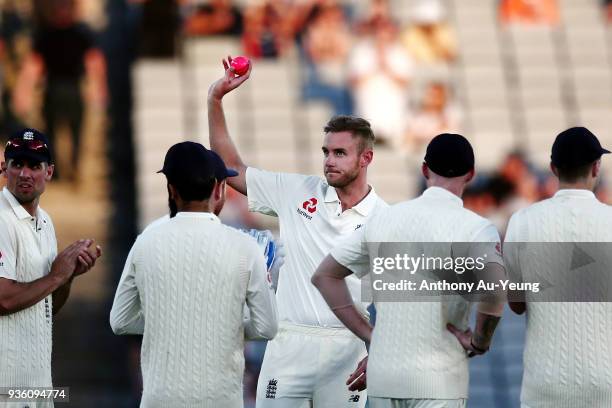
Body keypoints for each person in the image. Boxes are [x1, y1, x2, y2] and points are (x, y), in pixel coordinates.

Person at [208, 58, 388, 407]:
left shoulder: (387, 220)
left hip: (347, 348)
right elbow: (231, 170)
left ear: (366, 158)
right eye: (326, 152)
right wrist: (215, 100)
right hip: (289, 343)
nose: (329, 161)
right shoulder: (297, 192)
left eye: (340, 153)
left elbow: (394, 302)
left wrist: (380, 350)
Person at [312, 133, 506, 408]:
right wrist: (480, 341)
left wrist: (372, 335)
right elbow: (495, 295)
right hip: (440, 379)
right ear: (471, 174)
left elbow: (324, 276)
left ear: (425, 169)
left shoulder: (385, 219)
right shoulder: (477, 229)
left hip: (383, 376)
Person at [109, 141, 278, 408]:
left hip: (160, 399)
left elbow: (120, 321)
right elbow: (267, 327)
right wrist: (222, 324)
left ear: (171, 190)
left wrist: (173, 323)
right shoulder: (246, 247)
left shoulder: (146, 242)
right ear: (218, 189)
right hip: (221, 400)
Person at [504, 127, 612, 408]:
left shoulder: (522, 221)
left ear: (553, 168)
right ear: (596, 167)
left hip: (544, 384)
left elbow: (516, 304)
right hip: (605, 384)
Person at [0, 128, 101, 406]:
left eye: (34, 166)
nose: (25, 174)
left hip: (38, 386)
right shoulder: (2, 220)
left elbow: (47, 306)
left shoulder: (45, 221)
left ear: (49, 172)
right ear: (3, 168)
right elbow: (4, 299)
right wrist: (57, 274)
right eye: (17, 164)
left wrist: (67, 277)